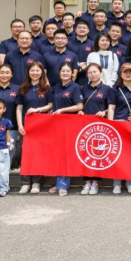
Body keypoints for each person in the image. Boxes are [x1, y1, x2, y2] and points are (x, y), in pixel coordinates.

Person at [15, 61, 53, 194]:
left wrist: (38, 109)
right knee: (25, 154)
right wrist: (20, 124)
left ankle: (36, 183)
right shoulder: (23, 88)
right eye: (32, 70)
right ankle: (25, 183)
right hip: (26, 126)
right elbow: (19, 108)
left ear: (42, 72)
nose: (35, 73)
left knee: (38, 154)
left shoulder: (47, 88)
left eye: (37, 70)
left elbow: (50, 105)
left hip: (41, 126)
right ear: (28, 72)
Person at [79, 63, 116, 196]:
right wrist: (80, 111)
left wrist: (104, 112)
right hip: (85, 126)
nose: (93, 74)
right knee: (85, 153)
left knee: (97, 154)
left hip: (100, 126)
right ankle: (87, 182)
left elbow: (111, 107)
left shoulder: (108, 89)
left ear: (100, 73)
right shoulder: (83, 89)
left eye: (95, 72)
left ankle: (95, 182)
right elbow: (80, 105)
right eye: (90, 72)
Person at [50, 62, 84, 196]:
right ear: (59, 73)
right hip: (56, 124)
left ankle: (63, 185)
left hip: (69, 124)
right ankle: (57, 182)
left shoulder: (75, 87)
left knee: (65, 155)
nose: (65, 73)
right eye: (63, 71)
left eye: (68, 71)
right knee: (56, 154)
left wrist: (62, 110)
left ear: (72, 73)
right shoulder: (56, 86)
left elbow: (79, 106)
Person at [108, 62, 131, 194]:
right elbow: (111, 108)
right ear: (120, 74)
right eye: (125, 72)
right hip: (119, 123)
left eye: (130, 72)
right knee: (118, 156)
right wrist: (111, 124)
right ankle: (116, 183)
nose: (128, 74)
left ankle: (130, 182)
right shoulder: (114, 90)